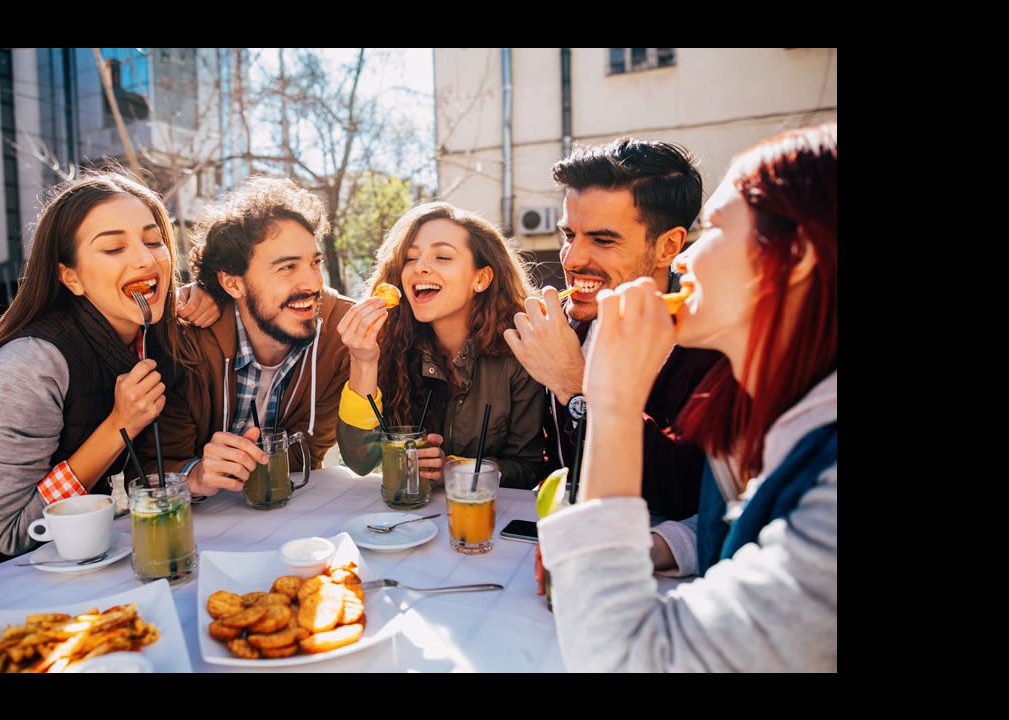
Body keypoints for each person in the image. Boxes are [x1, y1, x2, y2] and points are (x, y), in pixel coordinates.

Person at [537, 123, 837, 671]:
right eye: (569, 235)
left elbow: (623, 658)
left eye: (718, 229)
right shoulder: (775, 399)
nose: (683, 264)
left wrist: (606, 400)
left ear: (795, 258)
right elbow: (731, 520)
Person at [0, 168, 214, 599]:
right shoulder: (30, 365)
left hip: (63, 563)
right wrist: (118, 426)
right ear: (71, 277)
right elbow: (10, 533)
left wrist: (206, 292)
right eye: (113, 247)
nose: (145, 259)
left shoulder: (150, 335)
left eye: (154, 240)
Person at [506, 137, 722, 523]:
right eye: (569, 235)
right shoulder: (565, 330)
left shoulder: (712, 346)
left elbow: (685, 494)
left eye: (603, 240)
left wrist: (575, 386)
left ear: (667, 247)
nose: (571, 259)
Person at [159, 177, 353, 494]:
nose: (312, 283)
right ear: (233, 283)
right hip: (202, 525)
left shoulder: (339, 334)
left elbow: (309, 457)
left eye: (314, 262)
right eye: (287, 267)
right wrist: (196, 475)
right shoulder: (184, 342)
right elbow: (153, 464)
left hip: (289, 518)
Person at [336, 202, 546, 489]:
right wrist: (363, 360)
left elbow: (528, 469)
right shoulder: (389, 345)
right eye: (410, 258)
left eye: (442, 257)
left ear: (481, 279)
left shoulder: (519, 351)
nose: (420, 267)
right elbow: (360, 461)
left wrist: (456, 468)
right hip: (408, 520)